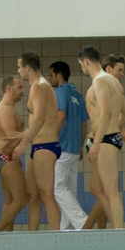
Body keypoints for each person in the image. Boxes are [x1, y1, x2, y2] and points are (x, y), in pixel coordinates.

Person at [78, 46, 125, 229]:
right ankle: (116, 226)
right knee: (96, 188)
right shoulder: (113, 82)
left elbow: (106, 113)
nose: (81, 69)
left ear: (86, 62)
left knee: (111, 191)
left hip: (105, 139)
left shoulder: (100, 81)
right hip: (107, 136)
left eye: (81, 65)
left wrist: (97, 143)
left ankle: (119, 231)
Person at [12, 51, 62, 230]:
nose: (18, 71)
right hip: (38, 145)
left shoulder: (39, 86)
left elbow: (40, 118)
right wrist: (22, 136)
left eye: (19, 67)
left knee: (46, 194)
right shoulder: (38, 86)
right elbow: (39, 120)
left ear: (27, 67)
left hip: (45, 145)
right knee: (32, 194)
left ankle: (56, 239)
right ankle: (32, 237)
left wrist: (23, 143)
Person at [48, 61, 90, 229]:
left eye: (51, 75)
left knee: (58, 188)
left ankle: (82, 221)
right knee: (69, 191)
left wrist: (52, 138)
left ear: (59, 76)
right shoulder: (78, 96)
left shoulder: (60, 92)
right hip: (74, 150)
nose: (49, 78)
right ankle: (65, 230)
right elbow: (84, 124)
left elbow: (61, 115)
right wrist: (80, 147)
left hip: (62, 148)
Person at [0, 75, 27, 231]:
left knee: (10, 202)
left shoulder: (10, 107)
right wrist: (31, 133)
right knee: (21, 200)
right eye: (19, 87)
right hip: (6, 158)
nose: (23, 91)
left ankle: (5, 239)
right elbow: (10, 135)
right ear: (9, 89)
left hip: (7, 158)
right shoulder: (5, 109)